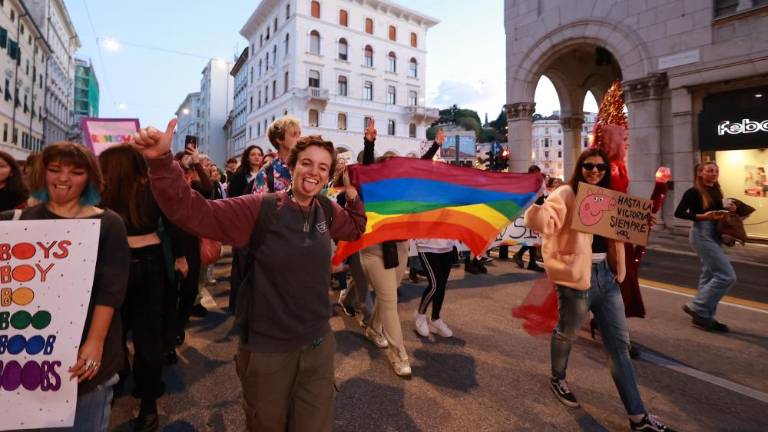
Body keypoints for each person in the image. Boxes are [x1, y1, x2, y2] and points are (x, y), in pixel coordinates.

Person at [132, 120, 365, 432]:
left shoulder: (325, 208)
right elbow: (196, 212)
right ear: (291, 165)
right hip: (268, 348)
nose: (314, 172)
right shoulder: (262, 208)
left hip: (318, 343)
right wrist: (161, 162)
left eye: (323, 167)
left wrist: (351, 195)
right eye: (307, 163)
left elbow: (355, 228)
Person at [524, 148, 675, 432]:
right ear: (580, 167)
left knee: (619, 346)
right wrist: (535, 201)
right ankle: (558, 378)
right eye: (589, 166)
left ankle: (637, 417)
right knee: (566, 332)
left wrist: (639, 223)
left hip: (607, 277)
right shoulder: (566, 194)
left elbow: (620, 232)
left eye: (601, 167)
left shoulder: (610, 198)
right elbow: (543, 224)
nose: (595, 171)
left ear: (607, 170)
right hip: (575, 279)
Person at [1, 142, 130, 431]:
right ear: (42, 173)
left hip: (84, 359)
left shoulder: (109, 223)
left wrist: (95, 342)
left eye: (76, 172)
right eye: (55, 170)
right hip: (24, 357)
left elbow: (112, 289)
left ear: (90, 178)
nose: (63, 178)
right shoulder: (15, 222)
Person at [99, 145, 185, 431]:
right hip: (150, 263)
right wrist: (181, 257)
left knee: (110, 330)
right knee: (148, 336)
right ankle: (148, 405)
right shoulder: (152, 189)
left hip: (110, 264)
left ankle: (116, 380)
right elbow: (174, 222)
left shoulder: (100, 192)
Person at [358, 119, 443, 378]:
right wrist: (369, 143)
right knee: (390, 302)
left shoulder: (406, 192)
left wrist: (434, 148)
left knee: (388, 296)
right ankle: (399, 356)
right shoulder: (373, 189)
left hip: (400, 250)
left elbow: (421, 169)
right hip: (373, 250)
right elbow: (369, 168)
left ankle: (373, 328)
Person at [674, 161, 737, 332]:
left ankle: (703, 318)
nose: (714, 173)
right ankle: (698, 306)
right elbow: (679, 213)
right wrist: (703, 216)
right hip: (701, 234)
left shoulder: (716, 191)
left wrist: (731, 209)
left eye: (716, 170)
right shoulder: (693, 192)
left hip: (714, 234)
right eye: (710, 170)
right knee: (727, 275)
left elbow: (719, 214)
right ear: (700, 173)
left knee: (708, 275)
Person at [414, 238, 458, 338]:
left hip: (448, 247)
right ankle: (420, 315)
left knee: (441, 286)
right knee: (435, 286)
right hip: (426, 246)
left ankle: (435, 318)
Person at [252, 116, 301, 194]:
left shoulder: (306, 165)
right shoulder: (266, 172)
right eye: (294, 134)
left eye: (299, 134)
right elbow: (258, 204)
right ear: (279, 139)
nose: (299, 138)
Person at [513, 165, 544, 272]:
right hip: (529, 213)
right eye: (537, 173)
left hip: (535, 213)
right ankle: (528, 261)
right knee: (532, 238)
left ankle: (526, 259)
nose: (538, 175)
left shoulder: (537, 184)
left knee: (532, 238)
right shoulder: (529, 184)